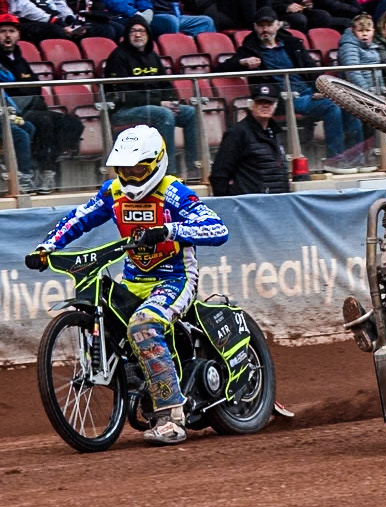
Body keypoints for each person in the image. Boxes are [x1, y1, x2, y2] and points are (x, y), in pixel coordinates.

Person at [25, 125, 228, 445]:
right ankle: (139, 385)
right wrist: (46, 248)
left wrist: (169, 230)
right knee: (112, 321)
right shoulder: (112, 192)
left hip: (175, 278)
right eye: (124, 169)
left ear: (157, 163)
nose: (131, 176)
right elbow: (79, 217)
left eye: (138, 169)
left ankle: (172, 417)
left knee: (143, 325)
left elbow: (217, 229)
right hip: (133, 281)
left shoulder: (173, 191)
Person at [216, 6, 365, 174]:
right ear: (255, 27)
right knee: (331, 107)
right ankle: (336, 159)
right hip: (283, 98)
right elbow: (220, 68)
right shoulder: (249, 48)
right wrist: (243, 62)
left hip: (308, 92)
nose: (265, 29)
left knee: (348, 105)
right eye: (261, 25)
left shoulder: (292, 43)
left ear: (278, 25)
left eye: (269, 24)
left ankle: (357, 158)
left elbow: (312, 69)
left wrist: (324, 90)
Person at [0, 13, 84, 194]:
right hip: (14, 112)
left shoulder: (21, 61)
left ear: (18, 35)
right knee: (44, 122)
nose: (7, 35)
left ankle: (48, 165)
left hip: (35, 108)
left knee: (72, 123)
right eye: (3, 31)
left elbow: (36, 89)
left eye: (12, 31)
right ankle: (44, 170)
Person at [104, 15, 198, 176]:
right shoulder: (118, 57)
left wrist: (172, 101)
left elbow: (165, 84)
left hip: (154, 106)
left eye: (141, 31)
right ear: (127, 34)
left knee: (190, 113)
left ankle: (195, 167)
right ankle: (168, 172)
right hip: (123, 111)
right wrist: (160, 103)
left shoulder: (152, 55)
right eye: (133, 31)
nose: (138, 35)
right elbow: (123, 96)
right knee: (164, 114)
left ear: (148, 34)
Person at [210, 83, 290, 196]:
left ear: (275, 106)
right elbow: (219, 174)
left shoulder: (274, 132)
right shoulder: (237, 133)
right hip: (248, 206)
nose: (265, 106)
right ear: (251, 105)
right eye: (260, 102)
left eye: (269, 102)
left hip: (276, 203)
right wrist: (227, 205)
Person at [149, 0, 216, 38]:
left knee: (206, 21)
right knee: (172, 21)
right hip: (156, 16)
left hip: (177, 16)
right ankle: (174, 50)